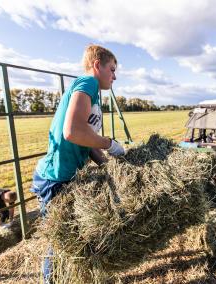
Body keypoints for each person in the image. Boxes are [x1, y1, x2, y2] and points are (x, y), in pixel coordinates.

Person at [30, 44, 125, 283]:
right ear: (97, 65)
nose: (114, 76)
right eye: (112, 69)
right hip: (56, 177)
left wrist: (108, 164)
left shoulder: (92, 92)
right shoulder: (88, 83)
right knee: (62, 240)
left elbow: (85, 139)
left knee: (74, 236)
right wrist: (109, 142)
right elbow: (72, 131)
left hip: (68, 176)